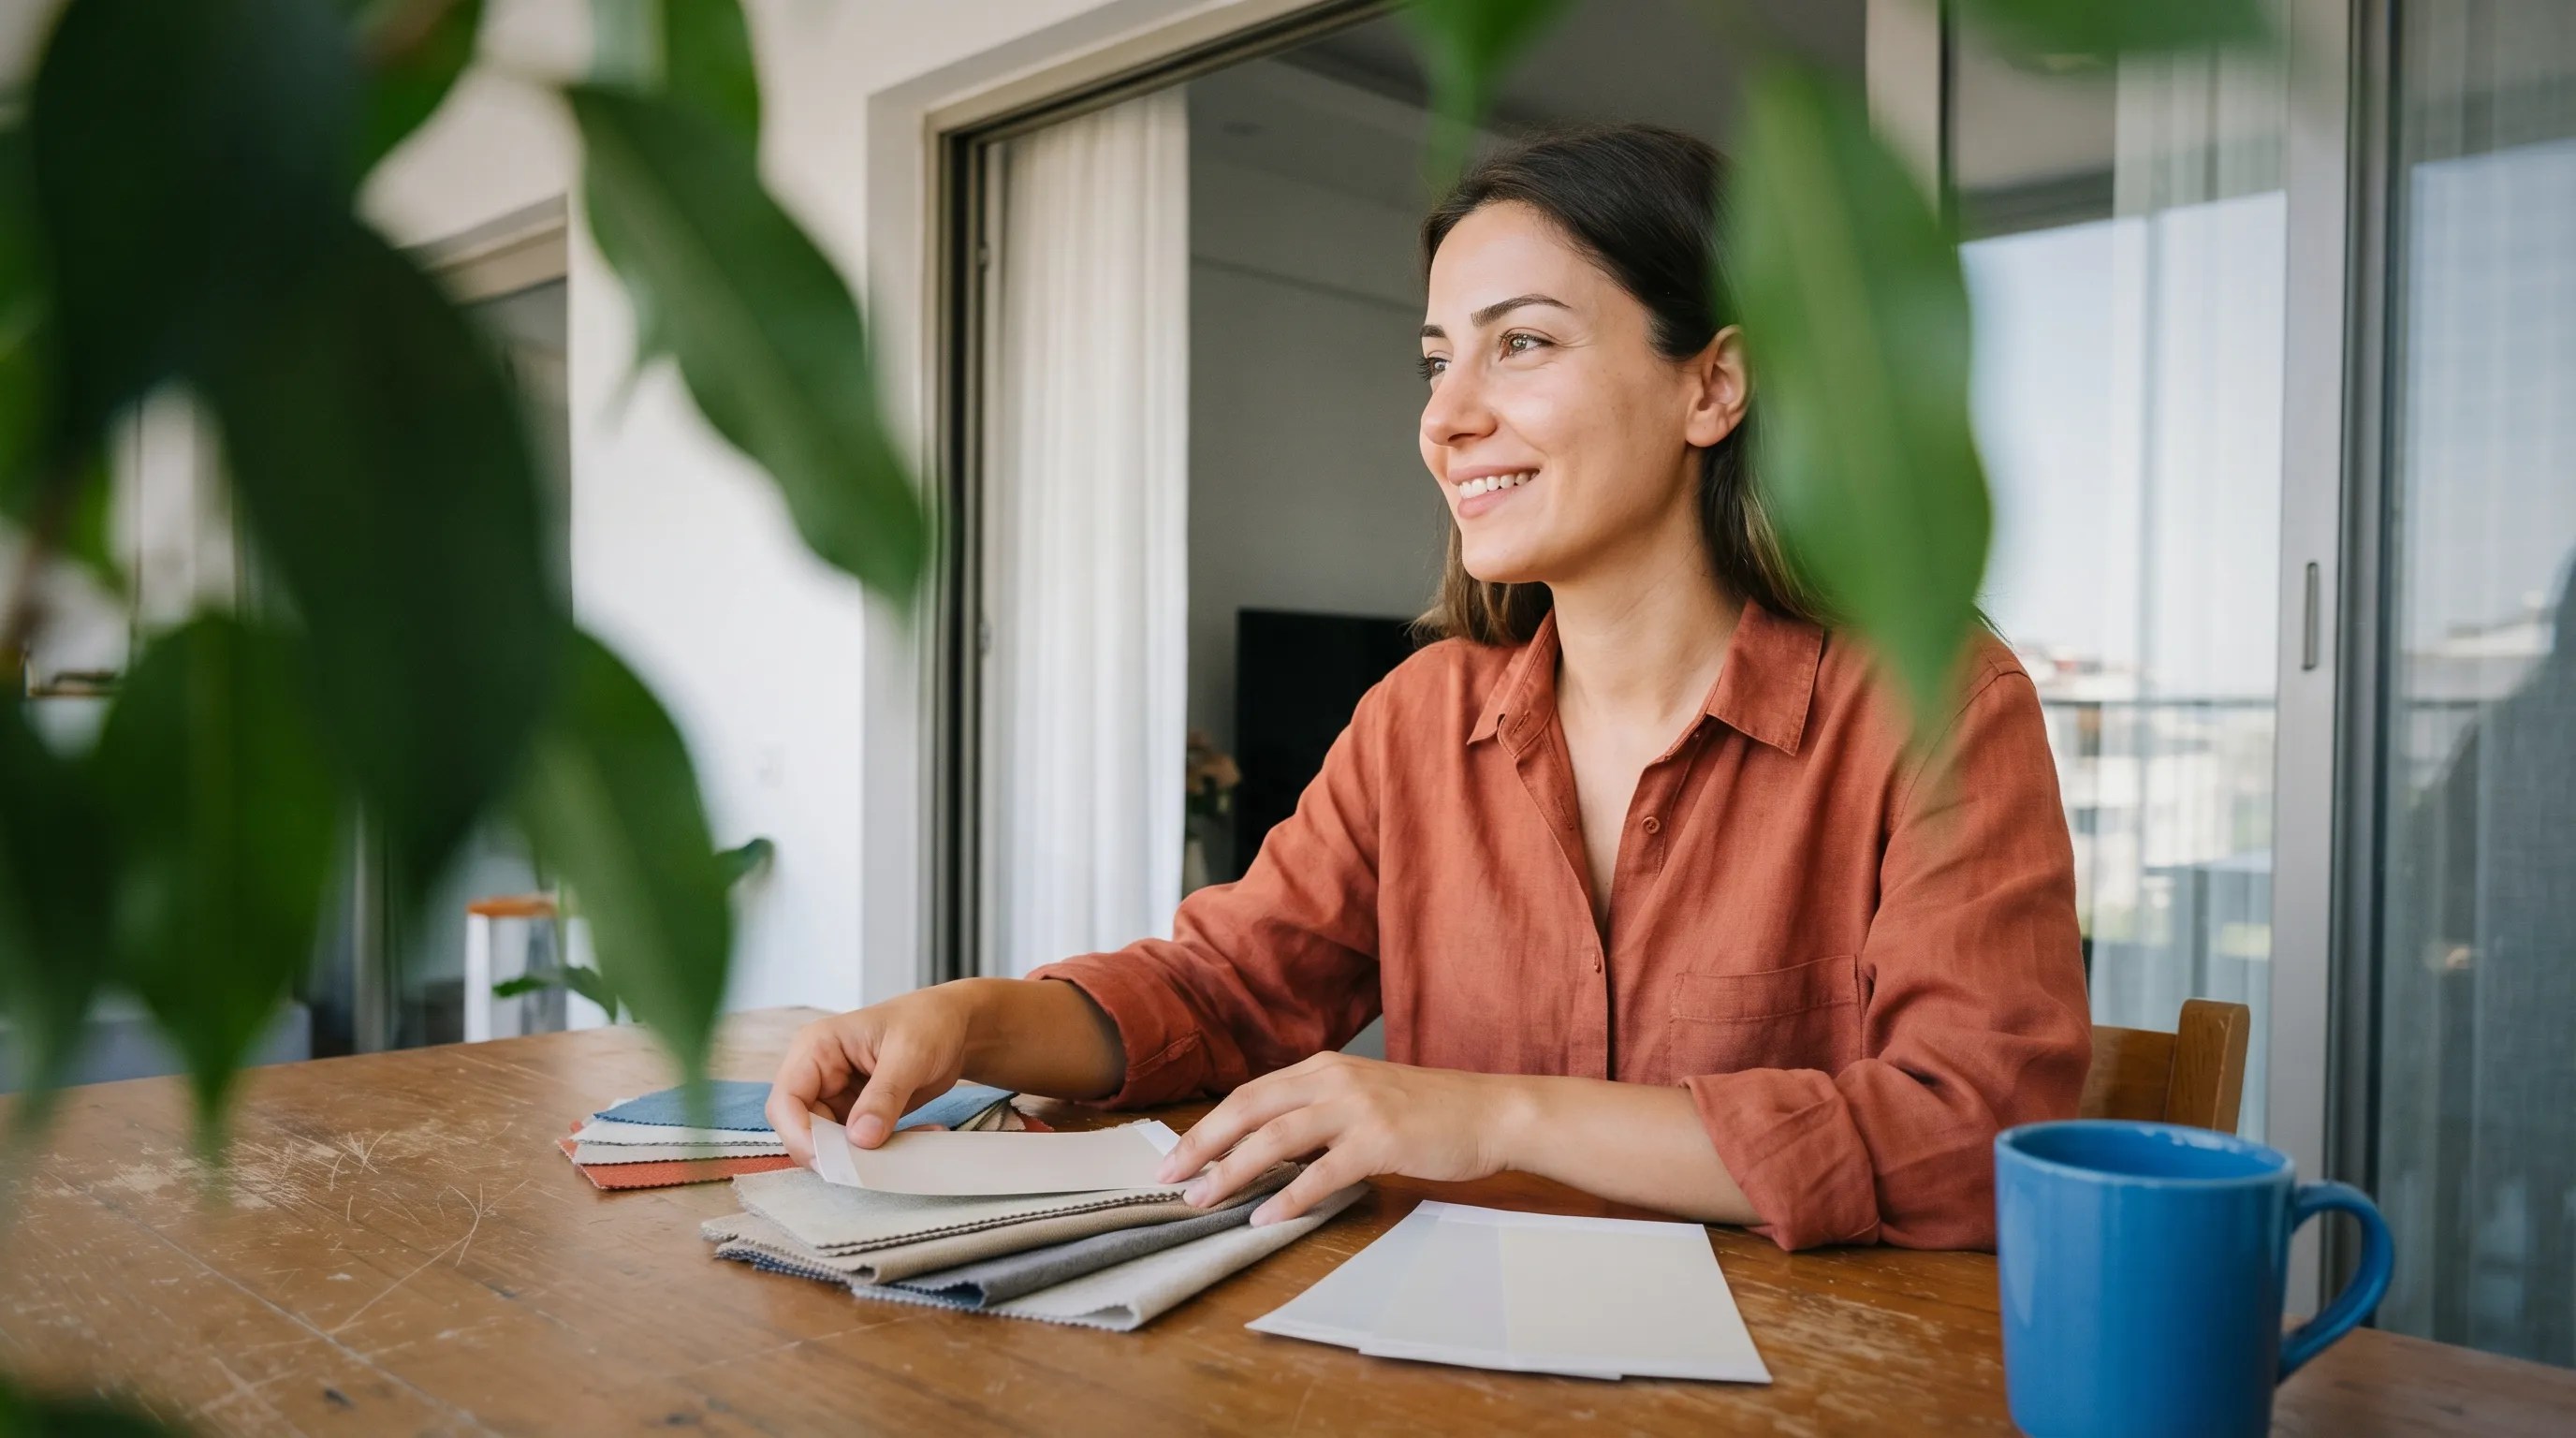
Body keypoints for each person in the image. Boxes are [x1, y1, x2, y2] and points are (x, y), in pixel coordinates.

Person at [768, 124, 2091, 1251]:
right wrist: (964, 1021)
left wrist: (1491, 1114)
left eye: (1522, 345)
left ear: (1713, 385)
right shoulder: (1418, 720)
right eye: (1436, 359)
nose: (1445, 415)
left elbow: (1977, 1138)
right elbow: (1227, 992)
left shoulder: (1936, 709)